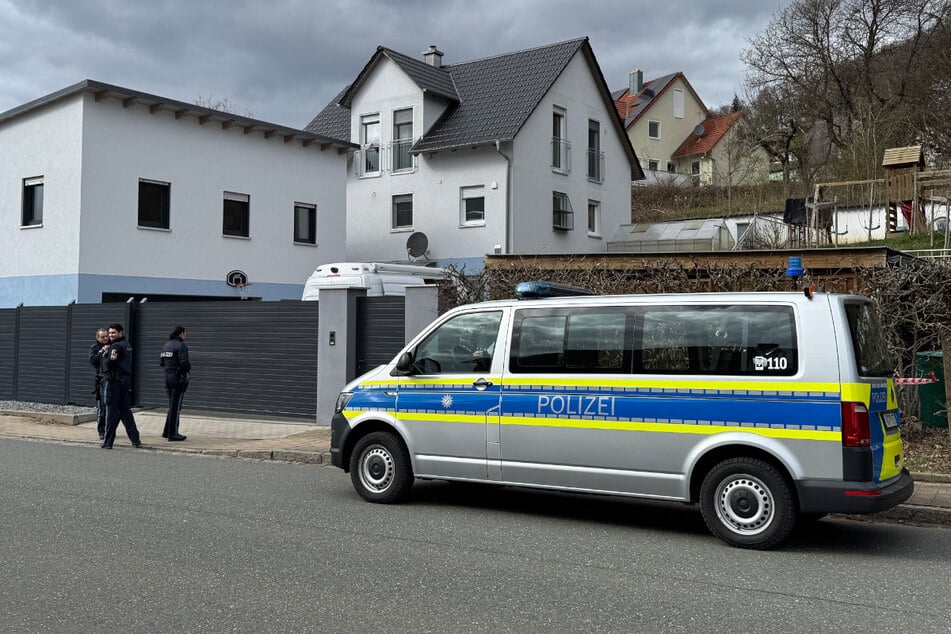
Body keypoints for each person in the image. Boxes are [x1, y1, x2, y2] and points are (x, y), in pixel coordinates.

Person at [101, 323, 142, 449]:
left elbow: (110, 363)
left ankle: (108, 442)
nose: (111, 335)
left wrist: (104, 355)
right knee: (125, 411)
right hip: (125, 381)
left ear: (120, 333)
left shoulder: (116, 346)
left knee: (111, 412)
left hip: (114, 382)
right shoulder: (127, 345)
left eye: (114, 333)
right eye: (110, 333)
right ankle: (135, 439)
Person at [160, 324, 190, 441]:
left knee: (172, 405)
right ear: (181, 334)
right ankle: (173, 434)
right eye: (185, 334)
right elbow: (185, 364)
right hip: (177, 378)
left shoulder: (166, 345)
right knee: (176, 407)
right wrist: (183, 371)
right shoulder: (181, 346)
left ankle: (167, 431)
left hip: (167, 377)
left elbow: (161, 362)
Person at [88, 328, 109, 441]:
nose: (105, 338)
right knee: (101, 408)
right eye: (102, 337)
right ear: (97, 338)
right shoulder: (94, 348)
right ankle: (101, 431)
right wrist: (101, 352)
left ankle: (110, 429)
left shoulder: (113, 346)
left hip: (111, 379)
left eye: (106, 336)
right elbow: (93, 361)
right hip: (100, 380)